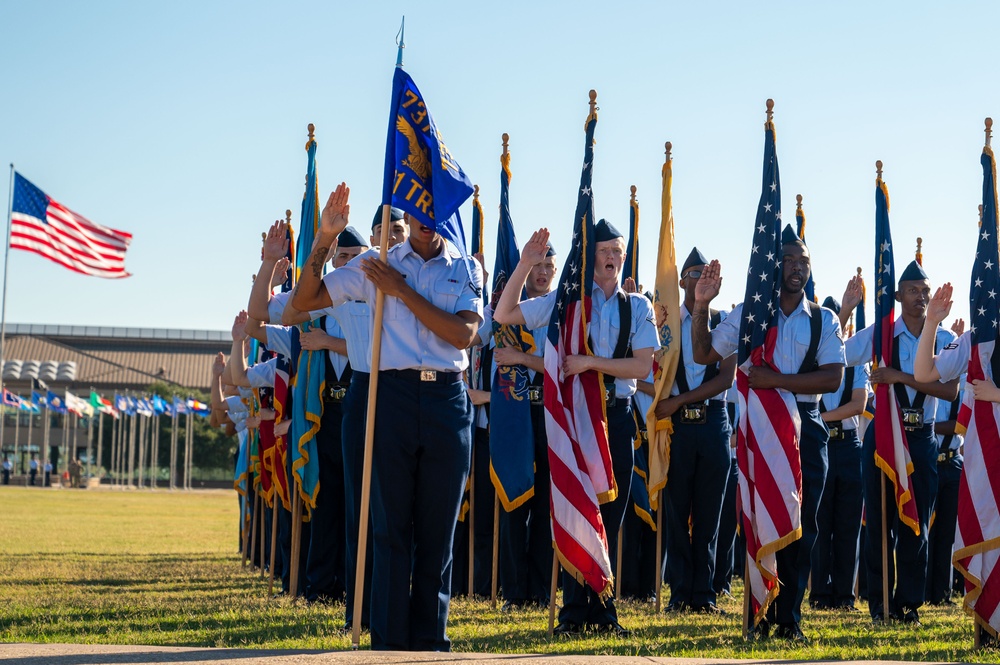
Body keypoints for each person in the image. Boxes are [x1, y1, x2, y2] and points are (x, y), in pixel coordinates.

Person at [292, 184, 483, 652]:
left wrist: (399, 291)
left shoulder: (465, 266)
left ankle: (429, 640)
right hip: (390, 396)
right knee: (389, 525)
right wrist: (324, 239)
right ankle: (389, 642)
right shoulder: (375, 261)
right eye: (417, 207)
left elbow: (462, 334)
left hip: (446, 401)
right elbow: (304, 301)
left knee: (438, 528)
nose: (424, 217)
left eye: (432, 209)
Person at [494, 221, 658, 637]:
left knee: (610, 514)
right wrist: (527, 263)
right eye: (602, 249)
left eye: (616, 250)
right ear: (590, 256)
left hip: (615, 418)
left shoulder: (637, 307)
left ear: (623, 257)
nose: (610, 256)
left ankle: (604, 611)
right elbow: (504, 313)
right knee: (571, 507)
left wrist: (589, 364)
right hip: (573, 420)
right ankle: (572, 612)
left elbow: (642, 366)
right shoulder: (566, 303)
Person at [691, 226, 845, 642]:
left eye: (804, 262)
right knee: (760, 520)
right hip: (759, 431)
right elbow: (704, 353)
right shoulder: (750, 314)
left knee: (802, 525)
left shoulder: (823, 319)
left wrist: (775, 381)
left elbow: (832, 378)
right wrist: (702, 305)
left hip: (806, 430)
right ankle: (760, 611)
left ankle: (788, 619)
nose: (797, 269)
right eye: (790, 261)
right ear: (773, 265)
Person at [839, 262, 960, 626]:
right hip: (884, 437)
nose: (921, 297)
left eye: (925, 290)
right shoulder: (881, 335)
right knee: (878, 523)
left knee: (916, 524)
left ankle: (908, 604)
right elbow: (839, 353)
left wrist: (898, 377)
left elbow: (949, 388)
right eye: (913, 290)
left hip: (921, 438)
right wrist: (844, 311)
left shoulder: (939, 338)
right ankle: (880, 605)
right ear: (897, 295)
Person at [655, 247, 737, 614]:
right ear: (682, 280)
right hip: (678, 430)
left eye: (708, 275)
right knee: (676, 511)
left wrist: (681, 400)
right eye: (694, 274)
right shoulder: (666, 324)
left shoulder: (723, 321)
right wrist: (670, 405)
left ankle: (704, 594)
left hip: (713, 423)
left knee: (709, 513)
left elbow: (725, 378)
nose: (701, 280)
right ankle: (679, 593)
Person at [489, 241, 558, 609]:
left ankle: (541, 589)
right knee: (515, 501)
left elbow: (561, 367)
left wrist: (520, 357)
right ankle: (515, 591)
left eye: (548, 265)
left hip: (551, 414)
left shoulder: (563, 310)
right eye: (535, 265)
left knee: (548, 502)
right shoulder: (504, 312)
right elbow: (488, 331)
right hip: (515, 414)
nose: (542, 272)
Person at [810, 296, 869, 612]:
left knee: (847, 523)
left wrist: (819, 417)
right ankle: (820, 592)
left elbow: (857, 404)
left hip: (847, 447)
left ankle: (845, 594)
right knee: (820, 522)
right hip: (822, 444)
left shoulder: (857, 362)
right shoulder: (815, 359)